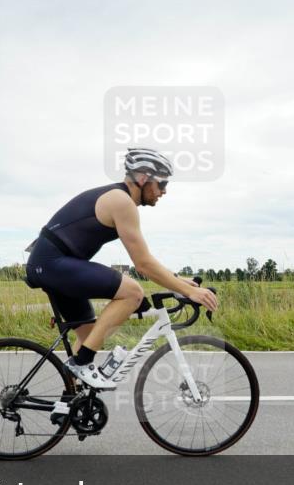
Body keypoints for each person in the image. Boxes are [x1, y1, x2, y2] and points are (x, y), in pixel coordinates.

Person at [25, 147, 218, 389]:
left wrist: (179, 281)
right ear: (143, 178)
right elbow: (143, 264)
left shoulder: (120, 199)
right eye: (162, 183)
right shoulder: (121, 201)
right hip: (53, 265)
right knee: (133, 293)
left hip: (54, 266)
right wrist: (190, 292)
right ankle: (81, 364)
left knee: (90, 338)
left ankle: (70, 406)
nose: (164, 191)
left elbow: (145, 257)